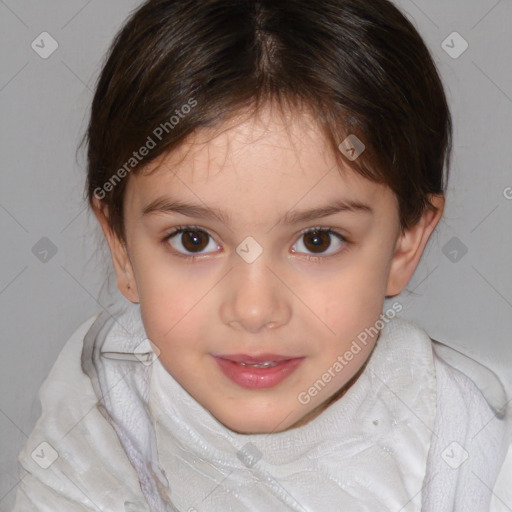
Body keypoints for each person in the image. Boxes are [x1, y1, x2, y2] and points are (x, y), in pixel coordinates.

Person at [12, 0, 512, 510]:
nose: (254, 311)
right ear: (121, 246)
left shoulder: (477, 447)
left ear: (406, 243)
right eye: (193, 240)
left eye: (318, 240)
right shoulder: (105, 399)